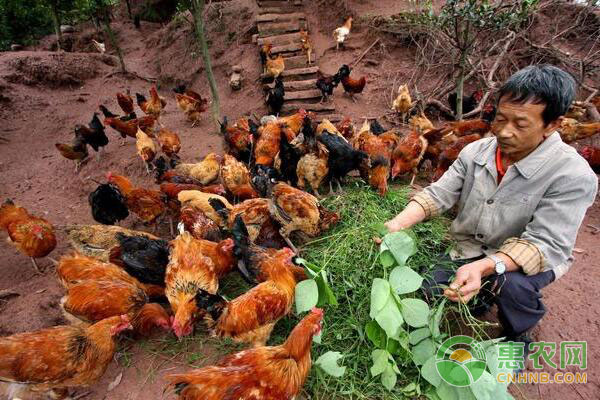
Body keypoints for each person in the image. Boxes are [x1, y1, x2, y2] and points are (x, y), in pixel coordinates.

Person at [384, 65, 598, 349]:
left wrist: (485, 267)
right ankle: (481, 293)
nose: (505, 132)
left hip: (530, 258)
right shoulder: (475, 152)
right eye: (500, 119)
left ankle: (519, 333)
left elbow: (543, 244)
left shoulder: (572, 175)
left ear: (552, 125)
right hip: (470, 246)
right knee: (427, 288)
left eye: (520, 125)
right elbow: (437, 195)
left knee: (511, 285)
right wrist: (396, 225)